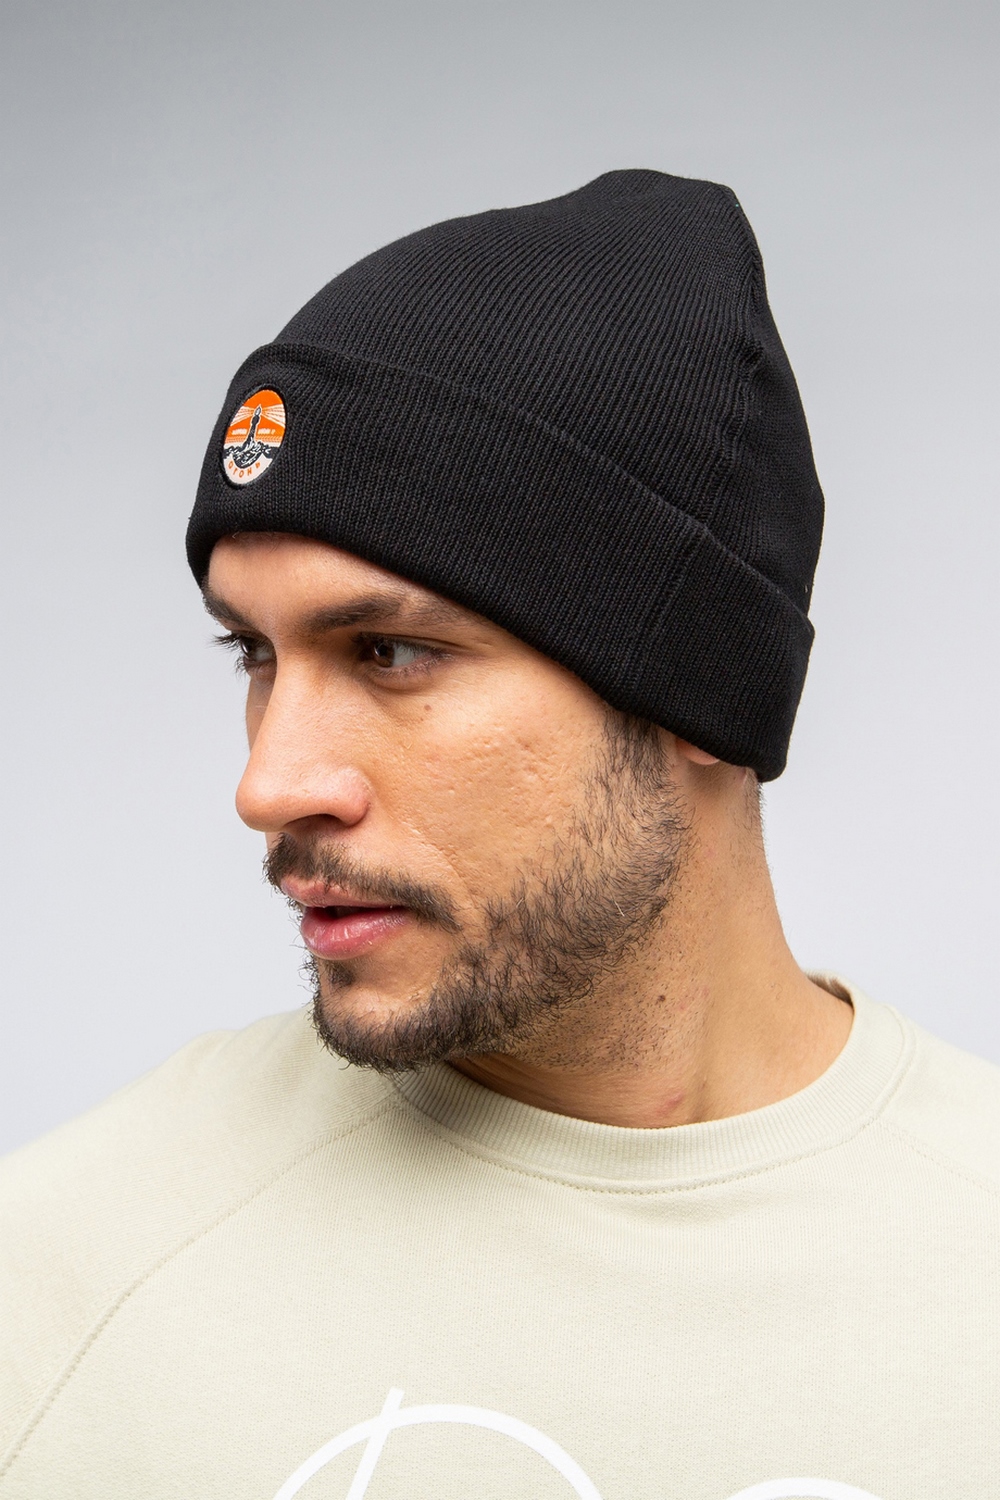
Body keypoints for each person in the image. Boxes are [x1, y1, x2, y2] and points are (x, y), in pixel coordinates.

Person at [0, 170, 996, 1500]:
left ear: (698, 691)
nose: (270, 783)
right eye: (254, 654)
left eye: (390, 651)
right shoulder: (64, 1286)